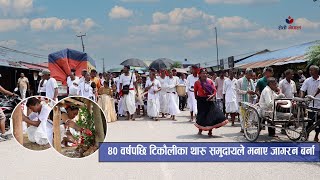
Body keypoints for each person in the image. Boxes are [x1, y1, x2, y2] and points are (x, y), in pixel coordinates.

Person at [194, 68, 228, 136]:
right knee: (201, 116)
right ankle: (200, 130)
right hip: (201, 101)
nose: (205, 74)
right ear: (200, 74)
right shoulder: (197, 83)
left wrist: (212, 96)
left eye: (206, 73)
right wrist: (197, 99)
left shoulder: (210, 81)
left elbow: (215, 90)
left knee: (211, 116)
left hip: (209, 100)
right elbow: (195, 92)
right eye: (203, 73)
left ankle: (210, 131)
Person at [300, 65, 320, 142]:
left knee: (319, 123)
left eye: (312, 70)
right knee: (310, 122)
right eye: (310, 70)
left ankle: (316, 136)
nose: (310, 72)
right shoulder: (307, 80)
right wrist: (302, 99)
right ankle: (306, 134)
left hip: (319, 104)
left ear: (317, 71)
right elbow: (302, 90)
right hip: (311, 104)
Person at [236, 68, 256, 133]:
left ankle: (245, 128)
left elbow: (253, 90)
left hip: (250, 101)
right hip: (241, 100)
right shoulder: (239, 81)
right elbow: (237, 91)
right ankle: (243, 128)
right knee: (242, 115)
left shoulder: (251, 81)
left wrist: (253, 93)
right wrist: (246, 92)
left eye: (251, 75)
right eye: (250, 75)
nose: (251, 76)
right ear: (246, 74)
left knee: (248, 115)